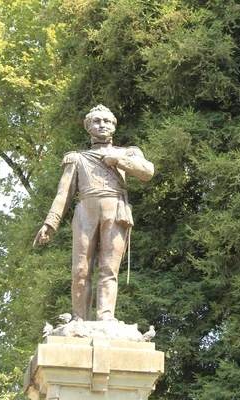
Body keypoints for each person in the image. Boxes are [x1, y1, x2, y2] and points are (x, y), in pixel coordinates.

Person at [34, 105, 154, 322]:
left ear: (114, 127)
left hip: (116, 211)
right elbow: (63, 194)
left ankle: (105, 317)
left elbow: (147, 172)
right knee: (80, 269)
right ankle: (79, 318)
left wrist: (118, 160)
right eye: (97, 121)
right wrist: (50, 223)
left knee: (109, 268)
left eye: (107, 121)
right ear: (88, 127)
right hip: (85, 212)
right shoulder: (76, 158)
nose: (102, 125)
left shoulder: (127, 153)